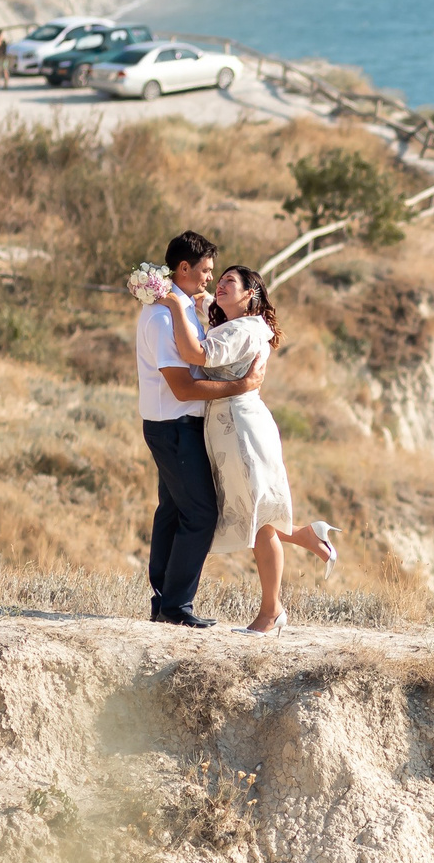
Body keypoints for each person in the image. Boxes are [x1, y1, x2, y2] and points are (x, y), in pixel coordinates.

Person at [156, 265, 338, 634]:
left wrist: (174, 305)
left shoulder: (244, 329)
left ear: (249, 295)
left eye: (229, 283)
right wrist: (190, 295)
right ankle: (305, 535)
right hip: (228, 427)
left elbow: (196, 354)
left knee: (256, 520)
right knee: (245, 512)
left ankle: (271, 611)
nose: (220, 285)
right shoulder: (236, 322)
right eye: (218, 279)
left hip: (241, 430)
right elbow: (208, 302)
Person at [135, 231, 260, 627]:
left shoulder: (180, 307)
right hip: (173, 425)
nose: (209, 278)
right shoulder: (160, 316)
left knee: (173, 511)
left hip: (178, 423)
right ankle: (176, 606)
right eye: (205, 271)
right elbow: (183, 385)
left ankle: (164, 602)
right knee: (201, 514)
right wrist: (241, 386)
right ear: (183, 269)